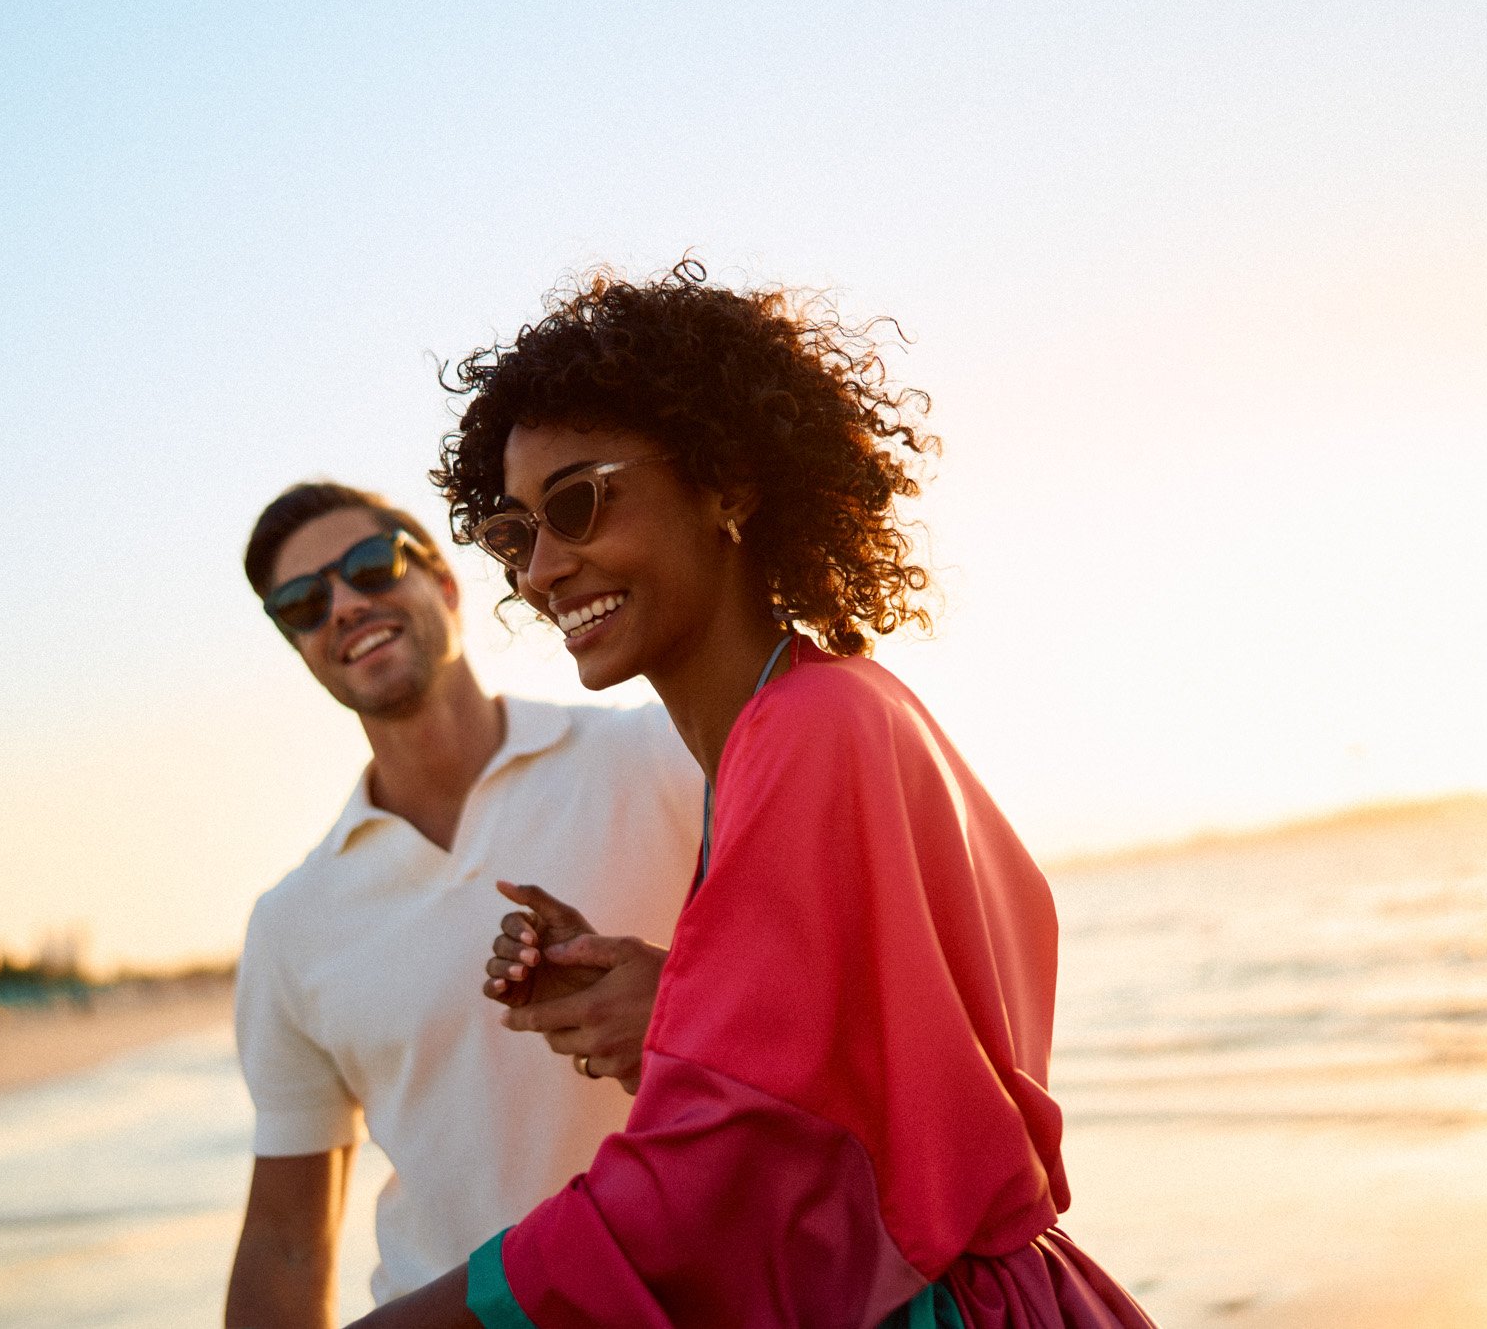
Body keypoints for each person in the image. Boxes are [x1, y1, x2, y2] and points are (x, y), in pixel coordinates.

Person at [350, 264, 1157, 1327]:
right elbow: (849, 1097)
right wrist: (672, 1006)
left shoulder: (810, 733)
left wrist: (414, 1319)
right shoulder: (804, 718)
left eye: (578, 503)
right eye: (513, 535)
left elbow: (707, 1188)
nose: (543, 569)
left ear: (725, 482)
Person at [225, 482, 702, 1328]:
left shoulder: (658, 754)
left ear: (444, 582)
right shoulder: (292, 921)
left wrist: (665, 1003)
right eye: (302, 603)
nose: (342, 605)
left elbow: (830, 993)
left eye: (369, 566)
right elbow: (289, 1237)